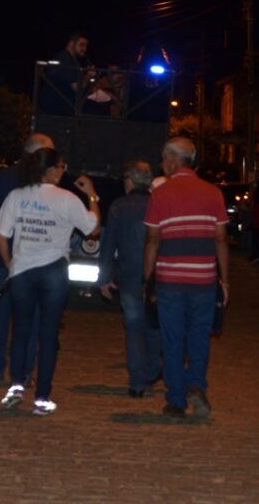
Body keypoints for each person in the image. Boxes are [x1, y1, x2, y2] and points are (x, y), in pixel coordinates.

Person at [0, 147, 100, 416]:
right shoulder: (67, 199)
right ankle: (41, 398)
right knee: (48, 335)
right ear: (51, 170)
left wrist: (11, 265)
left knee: (20, 331)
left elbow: (1, 237)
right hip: (53, 270)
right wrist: (92, 195)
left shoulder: (17, 196)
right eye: (61, 167)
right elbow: (93, 228)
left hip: (23, 271)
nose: (63, 172)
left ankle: (16, 385)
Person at [144, 137, 230, 419]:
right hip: (204, 279)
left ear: (172, 160)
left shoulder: (160, 194)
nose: (161, 164)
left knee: (172, 338)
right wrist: (224, 279)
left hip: (170, 279)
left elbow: (153, 240)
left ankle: (176, 399)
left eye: (163, 159)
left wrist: (148, 277)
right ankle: (197, 385)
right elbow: (220, 239)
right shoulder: (213, 193)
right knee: (199, 336)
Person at [0, 135, 50, 380]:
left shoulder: (3, 178)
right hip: (32, 261)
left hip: (5, 257)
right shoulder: (45, 180)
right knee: (30, 317)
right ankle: (24, 370)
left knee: (1, 316)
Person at [98, 161, 161, 398]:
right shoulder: (159, 203)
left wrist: (104, 278)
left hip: (129, 275)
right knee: (153, 323)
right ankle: (152, 370)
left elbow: (108, 245)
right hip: (157, 275)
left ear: (129, 182)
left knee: (134, 327)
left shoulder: (119, 207)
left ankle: (137, 382)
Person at [40, 32, 93, 115]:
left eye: (86, 46)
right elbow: (77, 87)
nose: (84, 48)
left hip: (60, 109)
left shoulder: (71, 59)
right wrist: (88, 75)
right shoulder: (65, 59)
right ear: (71, 43)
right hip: (57, 110)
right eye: (81, 44)